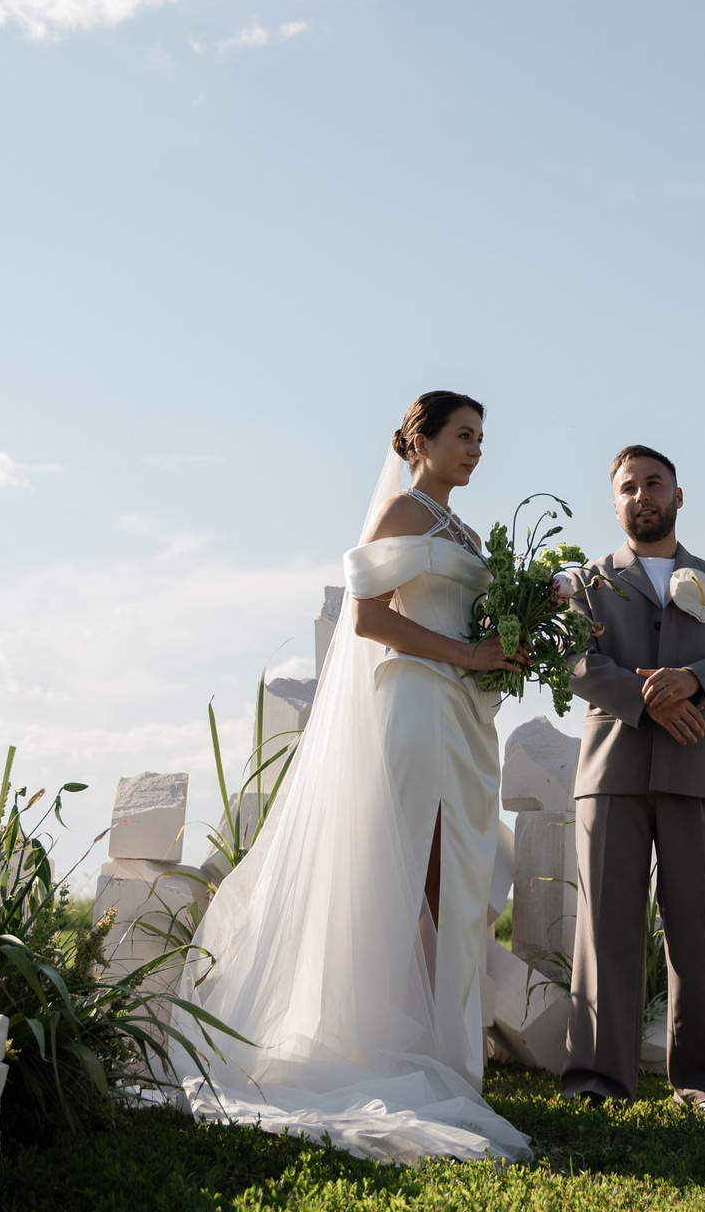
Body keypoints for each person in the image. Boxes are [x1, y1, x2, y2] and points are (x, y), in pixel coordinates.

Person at [174, 391, 532, 1163]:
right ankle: (391, 1048)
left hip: (462, 718)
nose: (476, 448)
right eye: (463, 435)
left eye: (481, 437)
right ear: (420, 439)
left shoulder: (464, 529)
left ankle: (436, 1051)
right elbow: (368, 618)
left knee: (454, 885)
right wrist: (469, 654)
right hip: (416, 706)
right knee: (412, 873)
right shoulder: (404, 514)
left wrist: (510, 640)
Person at [558, 445, 705, 1113]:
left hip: (696, 773)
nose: (642, 495)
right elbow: (576, 660)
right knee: (605, 932)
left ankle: (701, 1081)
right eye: (629, 486)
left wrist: (695, 680)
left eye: (654, 483)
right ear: (614, 501)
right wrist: (649, 696)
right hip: (612, 773)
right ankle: (597, 1080)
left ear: (679, 496)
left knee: (698, 936)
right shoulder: (585, 583)